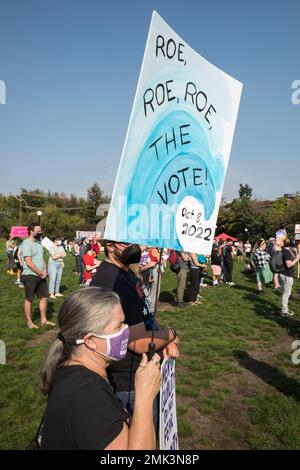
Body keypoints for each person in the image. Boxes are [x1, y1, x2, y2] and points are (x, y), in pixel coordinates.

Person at [39, 288, 162, 450]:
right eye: (118, 326)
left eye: (124, 322)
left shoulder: (68, 369)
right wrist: (145, 398)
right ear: (90, 340)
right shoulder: (89, 397)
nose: (127, 329)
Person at [90, 241, 179, 416]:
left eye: (135, 241)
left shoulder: (125, 271)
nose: (134, 247)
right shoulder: (113, 281)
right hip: (130, 380)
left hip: (142, 370)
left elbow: (144, 316)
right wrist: (172, 335)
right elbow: (138, 342)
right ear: (109, 246)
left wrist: (163, 339)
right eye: (127, 243)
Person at [21, 223, 55, 329]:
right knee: (29, 298)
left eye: (40, 230)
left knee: (44, 297)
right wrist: (40, 273)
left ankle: (43, 320)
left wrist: (44, 270)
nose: (40, 232)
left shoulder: (39, 242)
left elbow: (42, 258)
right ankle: (29, 322)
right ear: (31, 231)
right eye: (38, 230)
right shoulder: (26, 243)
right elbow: (29, 262)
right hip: (30, 275)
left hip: (41, 275)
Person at [280, 239, 300, 316]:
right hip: (287, 275)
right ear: (291, 244)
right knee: (286, 293)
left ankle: (285, 308)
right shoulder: (287, 252)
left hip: (284, 274)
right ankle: (284, 310)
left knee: (285, 293)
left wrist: (295, 254)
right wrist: (297, 259)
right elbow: (288, 265)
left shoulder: (284, 250)